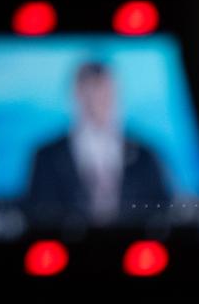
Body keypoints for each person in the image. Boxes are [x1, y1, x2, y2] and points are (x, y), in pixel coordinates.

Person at [23, 60, 172, 228]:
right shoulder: (47, 156)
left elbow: (164, 212)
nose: (100, 101)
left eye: (106, 92)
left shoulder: (146, 155)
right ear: (76, 95)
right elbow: (36, 216)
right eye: (92, 92)